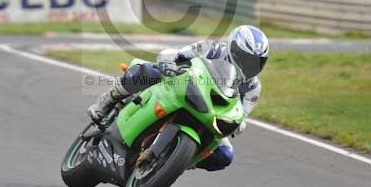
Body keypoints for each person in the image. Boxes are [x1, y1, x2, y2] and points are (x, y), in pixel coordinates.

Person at [88, 25, 269, 171]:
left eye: (257, 62)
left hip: (210, 112)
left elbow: (241, 115)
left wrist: (238, 125)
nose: (251, 66)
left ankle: (179, 159)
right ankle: (106, 102)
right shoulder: (211, 49)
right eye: (247, 59)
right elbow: (173, 54)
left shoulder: (253, 87)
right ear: (234, 50)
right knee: (144, 72)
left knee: (225, 155)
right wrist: (168, 63)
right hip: (180, 84)